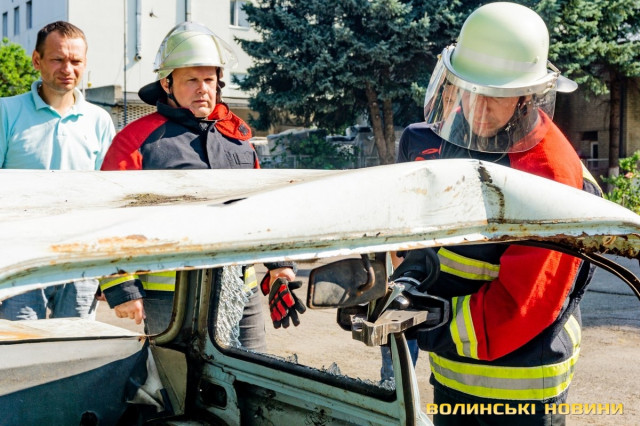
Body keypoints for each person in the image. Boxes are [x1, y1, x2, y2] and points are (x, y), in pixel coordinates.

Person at [395, 3, 601, 425]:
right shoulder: (462, 136)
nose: (477, 107)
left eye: (495, 94)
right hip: (454, 374)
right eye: (468, 90)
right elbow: (436, 238)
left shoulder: (551, 174)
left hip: (520, 388)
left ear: (526, 95)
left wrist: (432, 323)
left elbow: (526, 304)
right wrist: (411, 280)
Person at [98, 22, 303, 350]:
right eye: (191, 80)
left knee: (254, 372)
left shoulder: (237, 139)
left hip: (241, 290)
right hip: (172, 298)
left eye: (209, 79)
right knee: (180, 377)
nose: (202, 89)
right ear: (167, 83)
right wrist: (121, 286)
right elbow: (107, 216)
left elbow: (261, 210)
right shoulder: (136, 140)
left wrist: (280, 267)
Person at [0, 21, 115, 320]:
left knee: (76, 343)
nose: (68, 69)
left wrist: (110, 270)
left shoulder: (100, 120)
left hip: (81, 258)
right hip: (19, 260)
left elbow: (109, 198)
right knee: (20, 342)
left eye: (76, 61)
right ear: (37, 60)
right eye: (57, 59)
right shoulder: (5, 112)